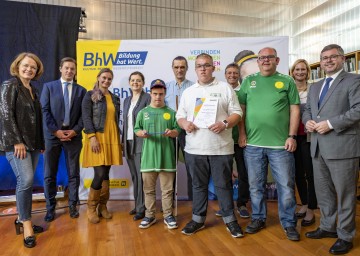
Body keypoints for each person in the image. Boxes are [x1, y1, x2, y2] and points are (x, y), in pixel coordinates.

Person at [176, 53, 244, 238]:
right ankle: (197, 220)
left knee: (223, 185)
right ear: (195, 69)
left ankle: (230, 220)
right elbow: (179, 115)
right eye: (199, 66)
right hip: (194, 148)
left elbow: (237, 112)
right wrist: (185, 124)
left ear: (213, 68)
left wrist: (225, 123)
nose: (203, 68)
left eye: (206, 65)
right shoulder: (188, 92)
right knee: (198, 186)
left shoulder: (225, 88)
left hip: (221, 148)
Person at [238, 47, 301, 241]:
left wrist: (292, 136)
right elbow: (241, 109)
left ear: (277, 59)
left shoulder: (287, 81)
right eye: (261, 58)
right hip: (253, 145)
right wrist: (241, 133)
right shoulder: (249, 81)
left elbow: (295, 110)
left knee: (286, 186)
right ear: (257, 61)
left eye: (269, 57)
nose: (265, 60)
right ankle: (258, 218)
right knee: (256, 186)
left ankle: (289, 222)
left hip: (280, 146)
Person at [303, 44, 360, 255]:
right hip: (317, 147)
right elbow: (308, 110)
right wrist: (307, 121)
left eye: (332, 57)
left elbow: (358, 109)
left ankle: (345, 235)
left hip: (343, 146)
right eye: (324, 57)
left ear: (342, 59)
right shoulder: (315, 86)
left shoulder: (354, 81)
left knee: (345, 194)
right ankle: (327, 227)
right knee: (324, 192)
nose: (327, 60)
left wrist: (331, 123)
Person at [0, 52, 45, 248]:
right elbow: (5, 114)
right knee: (25, 180)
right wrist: (17, 141)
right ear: (17, 66)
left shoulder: (33, 89)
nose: (29, 69)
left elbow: (37, 120)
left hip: (33, 144)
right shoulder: (10, 85)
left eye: (33, 67)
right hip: (16, 144)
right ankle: (26, 223)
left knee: (26, 181)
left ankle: (22, 217)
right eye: (26, 66)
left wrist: (41, 143)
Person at [41, 57, 86, 222]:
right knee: (49, 174)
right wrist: (55, 131)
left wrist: (74, 131)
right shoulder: (49, 87)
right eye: (66, 68)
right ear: (61, 69)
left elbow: (84, 115)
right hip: (53, 137)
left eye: (72, 69)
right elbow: (44, 111)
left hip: (73, 137)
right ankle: (50, 208)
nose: (69, 71)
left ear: (75, 71)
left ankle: (73, 205)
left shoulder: (82, 91)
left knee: (73, 173)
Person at [134, 79, 180, 229]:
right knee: (149, 190)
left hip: (167, 157)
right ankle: (150, 216)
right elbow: (136, 129)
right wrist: (141, 133)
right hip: (147, 158)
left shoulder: (172, 113)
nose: (158, 97)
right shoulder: (143, 112)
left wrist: (172, 132)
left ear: (165, 94)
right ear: (150, 94)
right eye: (155, 94)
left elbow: (177, 131)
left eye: (161, 94)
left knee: (167, 190)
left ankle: (168, 215)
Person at [81, 68, 123, 224]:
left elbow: (116, 119)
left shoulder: (115, 98)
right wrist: (91, 137)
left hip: (112, 137)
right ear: (98, 78)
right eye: (104, 77)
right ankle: (91, 208)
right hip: (97, 137)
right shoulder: (89, 95)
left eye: (109, 79)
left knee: (106, 173)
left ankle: (103, 207)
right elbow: (86, 117)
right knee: (99, 173)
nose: (106, 81)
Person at [290, 59, 317, 227]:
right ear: (292, 72)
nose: (300, 72)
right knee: (297, 173)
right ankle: (304, 203)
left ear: (308, 72)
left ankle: (312, 208)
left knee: (310, 173)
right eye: (297, 69)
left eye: (303, 69)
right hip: (292, 136)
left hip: (309, 137)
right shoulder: (288, 88)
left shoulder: (314, 89)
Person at [165, 56, 194, 200]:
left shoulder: (194, 87)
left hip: (189, 132)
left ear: (186, 68)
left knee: (191, 167)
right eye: (176, 67)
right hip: (171, 132)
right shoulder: (166, 87)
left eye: (182, 67)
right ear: (172, 68)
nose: (179, 70)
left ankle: (193, 201)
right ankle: (169, 202)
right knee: (170, 168)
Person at [122, 71, 150, 221]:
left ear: (143, 83)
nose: (135, 83)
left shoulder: (147, 98)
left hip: (141, 142)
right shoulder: (126, 100)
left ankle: (142, 208)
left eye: (138, 80)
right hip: (128, 142)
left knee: (141, 176)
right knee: (134, 176)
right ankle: (138, 204)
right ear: (129, 82)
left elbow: (148, 119)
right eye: (133, 80)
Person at [223, 63, 250, 218]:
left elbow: (242, 115)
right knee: (224, 174)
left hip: (240, 139)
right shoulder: (221, 90)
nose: (232, 75)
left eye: (235, 73)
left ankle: (241, 204)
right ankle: (226, 206)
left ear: (238, 75)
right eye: (229, 73)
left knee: (243, 172)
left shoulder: (243, 92)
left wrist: (242, 134)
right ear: (225, 75)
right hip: (224, 139)